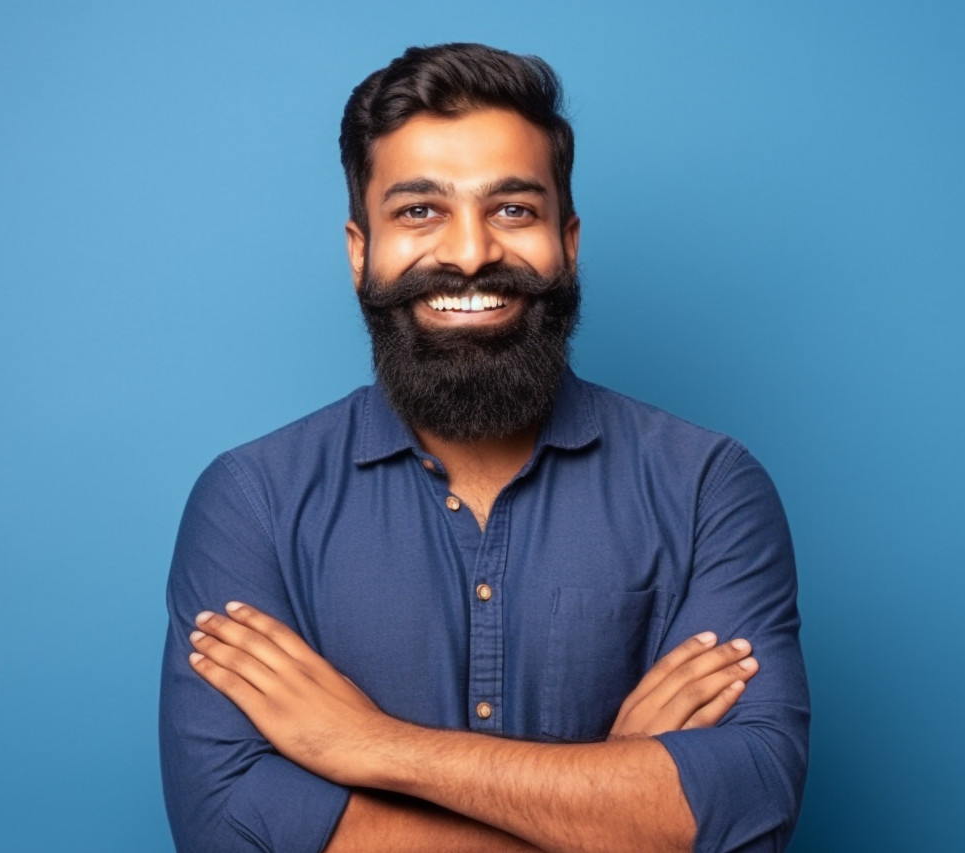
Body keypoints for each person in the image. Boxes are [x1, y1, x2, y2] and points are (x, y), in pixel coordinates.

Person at [159, 43, 809, 853]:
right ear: (360, 250)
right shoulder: (250, 501)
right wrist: (609, 799)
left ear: (568, 240)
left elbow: (744, 812)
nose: (469, 253)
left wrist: (369, 744)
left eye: (512, 209)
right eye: (419, 211)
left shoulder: (709, 487)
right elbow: (234, 830)